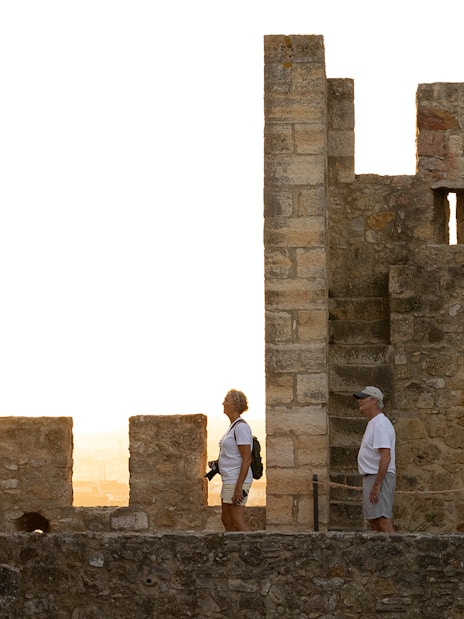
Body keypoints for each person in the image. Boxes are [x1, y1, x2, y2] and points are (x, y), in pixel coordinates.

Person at [354, 386, 396, 533]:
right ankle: (384, 555)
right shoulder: (374, 423)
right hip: (372, 476)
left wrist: (377, 484)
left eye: (363, 397)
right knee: (374, 520)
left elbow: (386, 455)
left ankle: (395, 555)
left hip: (379, 477)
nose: (359, 401)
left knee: (382, 520)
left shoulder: (380, 423)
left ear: (374, 401)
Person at [217, 389, 253, 531]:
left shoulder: (241, 428)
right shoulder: (233, 427)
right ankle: (235, 551)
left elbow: (247, 459)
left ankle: (254, 549)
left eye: (227, 400)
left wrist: (239, 487)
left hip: (236, 480)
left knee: (237, 520)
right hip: (229, 479)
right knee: (226, 519)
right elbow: (234, 454)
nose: (223, 403)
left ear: (235, 405)